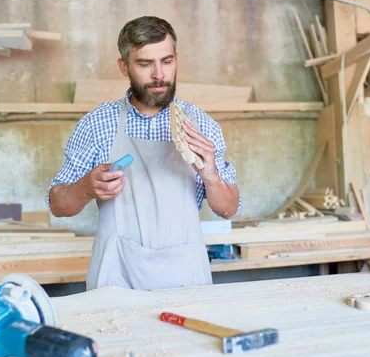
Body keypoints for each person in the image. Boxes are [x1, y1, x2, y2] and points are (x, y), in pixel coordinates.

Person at [47, 16, 241, 291]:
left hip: (186, 279)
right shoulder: (97, 123)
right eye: (145, 64)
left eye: (166, 61)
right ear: (123, 67)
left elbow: (229, 208)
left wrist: (210, 175)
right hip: (117, 280)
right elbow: (58, 204)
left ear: (176, 59)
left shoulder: (201, 124)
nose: (159, 75)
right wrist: (86, 188)